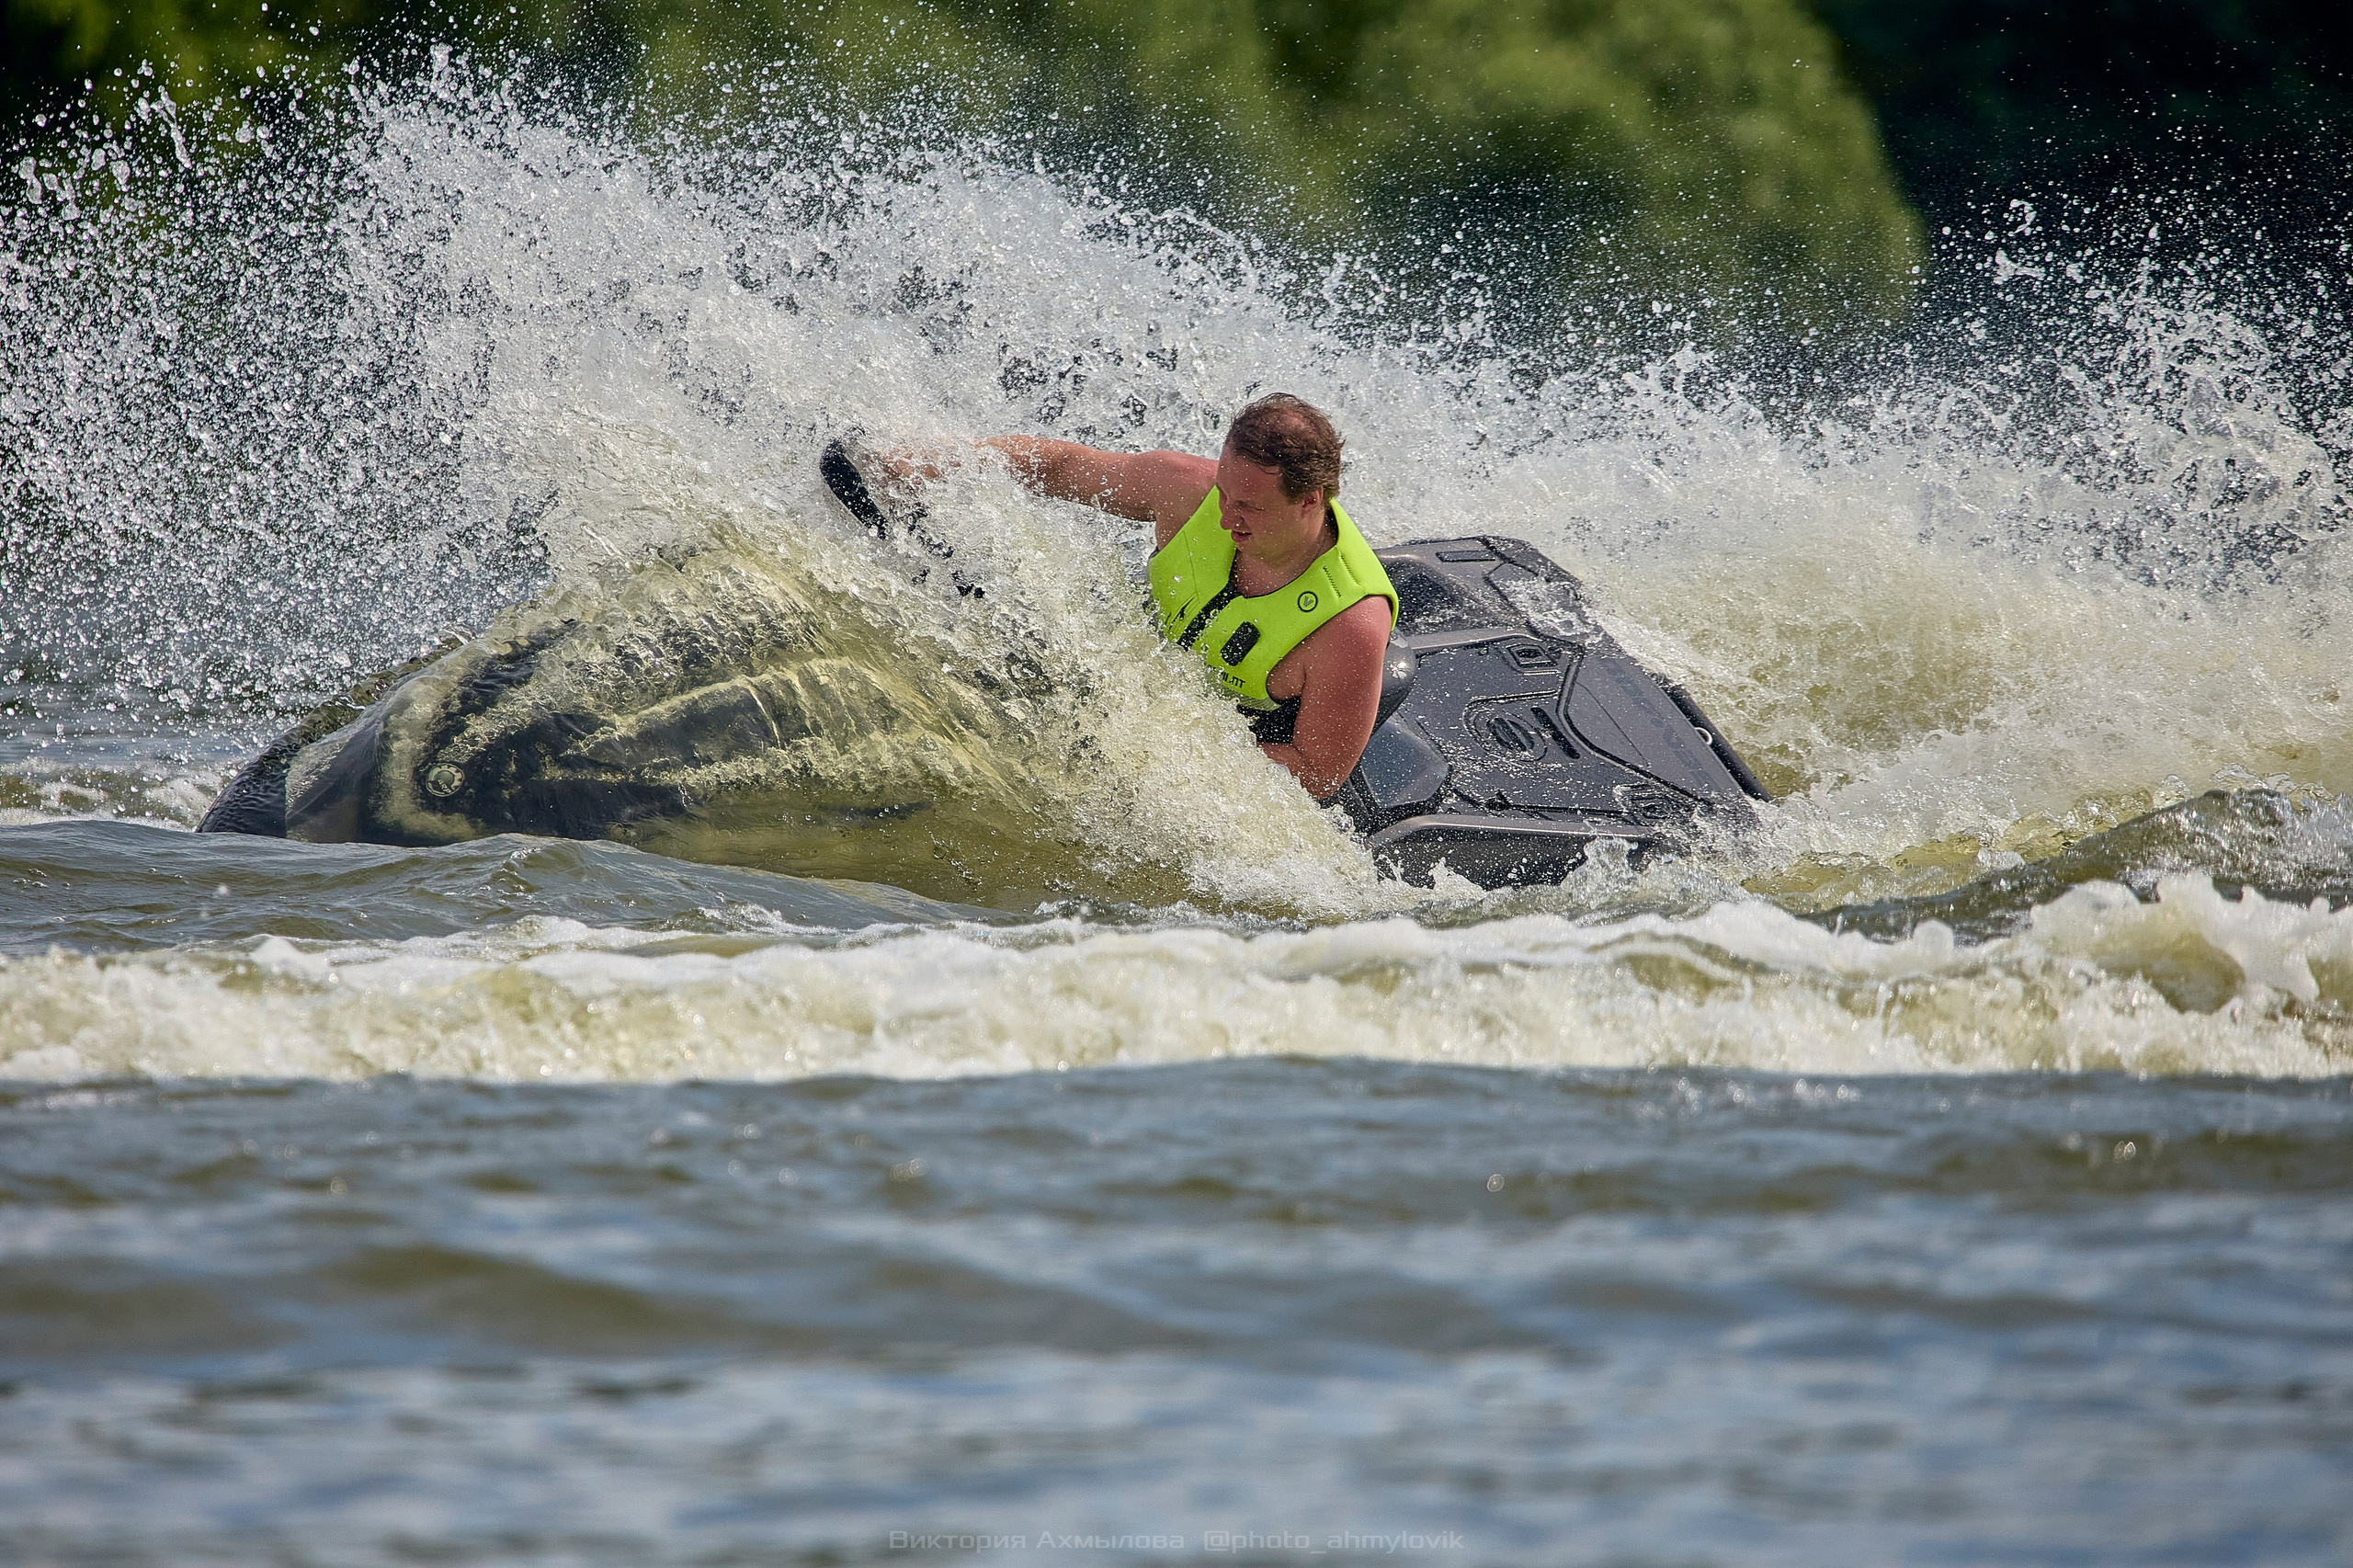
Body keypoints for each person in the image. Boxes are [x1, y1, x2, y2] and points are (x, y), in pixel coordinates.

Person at [858, 394, 1397, 801]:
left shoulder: (1349, 625)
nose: (1225, 518)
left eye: (1250, 508)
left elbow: (1315, 773)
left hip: (1242, 734)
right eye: (1224, 493)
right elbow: (1059, 467)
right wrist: (930, 465)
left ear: (1310, 500)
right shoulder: (1186, 489)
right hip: (1137, 679)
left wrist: (1154, 754)